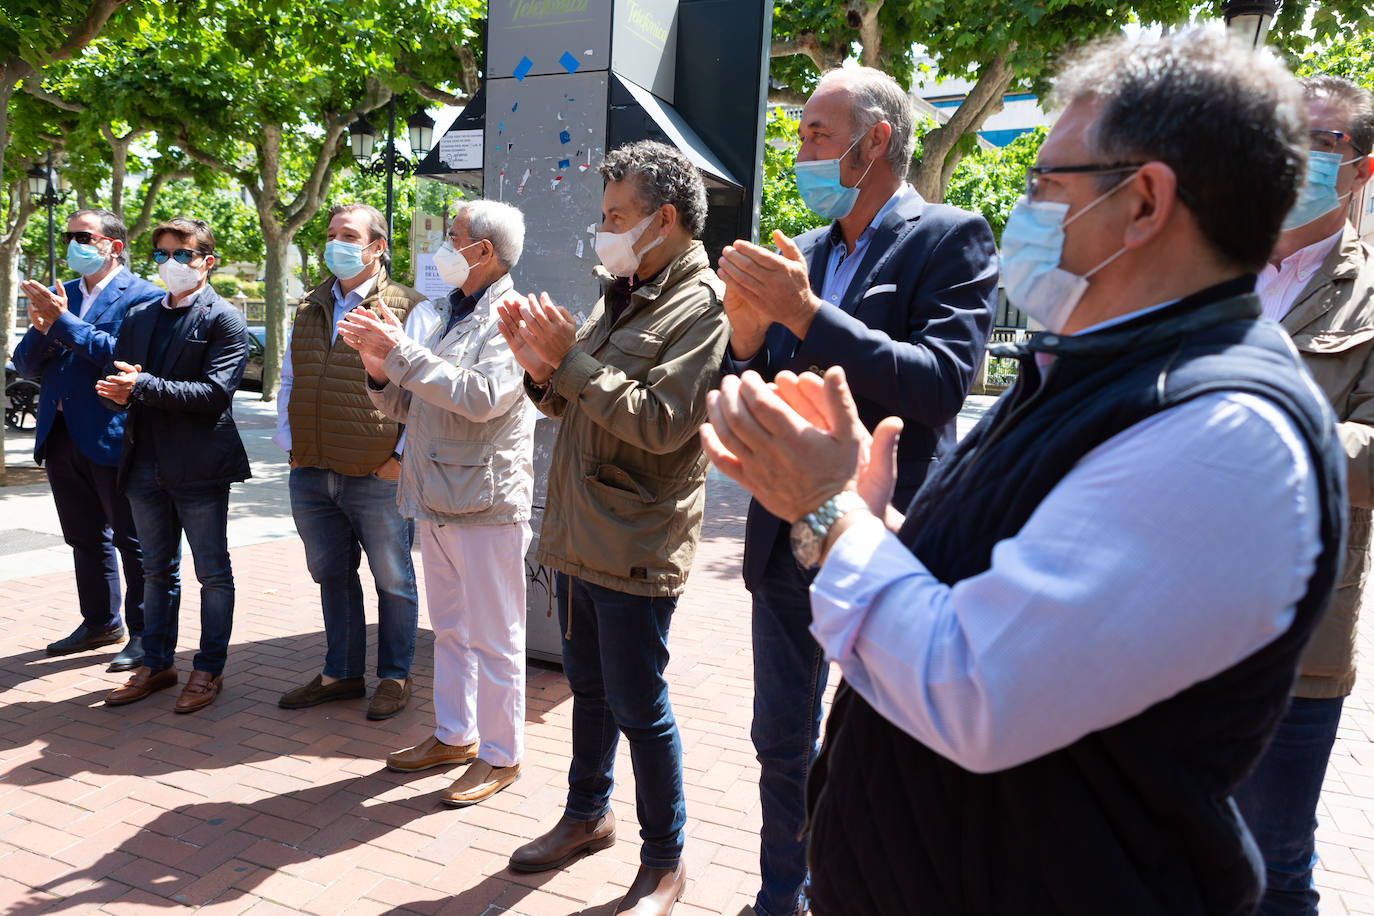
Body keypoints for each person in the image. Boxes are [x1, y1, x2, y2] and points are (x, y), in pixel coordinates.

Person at [700, 28, 1348, 914]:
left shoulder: (1223, 429)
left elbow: (975, 689)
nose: (1026, 210)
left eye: (1048, 184)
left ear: (1145, 202)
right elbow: (1012, 597)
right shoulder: (1098, 362)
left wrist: (827, 514)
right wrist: (875, 523)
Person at [716, 66, 997, 916]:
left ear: (875, 142)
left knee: (879, 747)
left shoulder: (950, 237)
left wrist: (807, 317)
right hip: (782, 537)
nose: (797, 149)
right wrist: (740, 340)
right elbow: (752, 377)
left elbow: (941, 382)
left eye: (814, 134)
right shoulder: (802, 251)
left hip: (889, 540)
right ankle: (779, 895)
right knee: (781, 742)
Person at [497, 140, 730, 916]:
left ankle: (665, 861)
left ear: (664, 219)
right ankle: (585, 815)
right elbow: (572, 400)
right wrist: (540, 366)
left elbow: (663, 423)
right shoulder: (623, 288)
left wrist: (568, 363)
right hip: (576, 535)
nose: (605, 230)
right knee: (588, 691)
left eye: (616, 216)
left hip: (635, 542)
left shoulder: (703, 305)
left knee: (638, 705)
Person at [339, 200, 535, 807]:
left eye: (453, 238)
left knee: (495, 634)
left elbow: (480, 398)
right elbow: (409, 405)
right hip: (434, 493)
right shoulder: (443, 311)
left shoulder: (514, 316)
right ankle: (455, 734)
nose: (442, 248)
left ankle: (502, 755)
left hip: (486, 498)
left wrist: (398, 354)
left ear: (485, 252)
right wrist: (378, 369)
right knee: (449, 629)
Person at [1233, 73, 1374, 916]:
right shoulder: (1206, 268)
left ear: (1361, 168)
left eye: (1318, 143)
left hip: (1296, 640)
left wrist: (1274, 431)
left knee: (1274, 864)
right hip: (1163, 618)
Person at [275, 203, 432, 721]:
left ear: (377, 247)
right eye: (331, 233)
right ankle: (340, 673)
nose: (336, 243)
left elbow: (425, 392)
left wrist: (399, 458)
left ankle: (394, 676)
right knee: (332, 575)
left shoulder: (410, 307)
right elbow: (292, 379)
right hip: (313, 468)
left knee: (394, 580)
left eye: (350, 235)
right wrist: (290, 445)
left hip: (376, 474)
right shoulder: (310, 305)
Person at [98, 217, 250, 714]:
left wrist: (139, 387)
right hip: (143, 464)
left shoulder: (224, 318)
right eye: (161, 254)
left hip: (199, 466)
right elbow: (122, 380)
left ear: (208, 261)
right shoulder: (141, 316)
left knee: (213, 573)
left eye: (181, 254)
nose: (170, 264)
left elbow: (213, 394)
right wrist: (117, 394)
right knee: (156, 572)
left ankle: (208, 669)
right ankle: (157, 662)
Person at [12, 209, 163, 671]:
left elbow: (121, 356)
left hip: (113, 434)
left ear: (113, 246)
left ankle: (143, 635)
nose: (72, 242)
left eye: (84, 235)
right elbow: (25, 366)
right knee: (82, 536)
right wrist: (43, 328)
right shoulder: (65, 293)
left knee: (131, 539)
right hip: (60, 434)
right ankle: (99, 621)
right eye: (68, 235)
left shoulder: (144, 297)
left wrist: (62, 324)